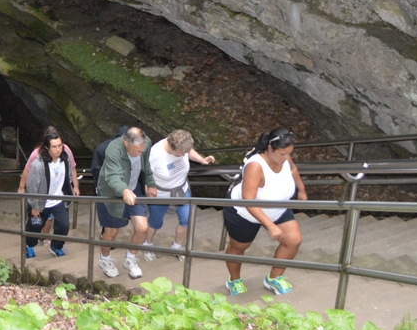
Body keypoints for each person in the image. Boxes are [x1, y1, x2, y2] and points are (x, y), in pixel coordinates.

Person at [224, 127, 307, 296]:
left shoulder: (284, 156)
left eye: (289, 154)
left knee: (293, 240)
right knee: (238, 248)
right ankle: (234, 280)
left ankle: (274, 278)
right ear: (270, 148)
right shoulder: (255, 166)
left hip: (277, 208)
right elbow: (248, 201)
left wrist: (302, 190)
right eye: (283, 154)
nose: (287, 158)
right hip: (245, 213)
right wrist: (271, 226)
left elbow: (293, 169)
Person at [94, 127, 157, 279]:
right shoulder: (113, 150)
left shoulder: (146, 143)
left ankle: (130, 258)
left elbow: (146, 163)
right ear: (126, 143)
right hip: (112, 192)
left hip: (135, 189)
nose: (139, 154)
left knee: (142, 228)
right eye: (136, 151)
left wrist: (150, 183)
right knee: (112, 231)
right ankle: (104, 259)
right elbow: (113, 176)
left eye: (142, 150)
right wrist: (124, 190)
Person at [144, 129, 215, 261]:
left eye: (185, 152)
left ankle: (177, 246)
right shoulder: (155, 154)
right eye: (180, 153)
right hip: (160, 194)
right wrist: (149, 187)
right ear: (171, 146)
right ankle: (147, 244)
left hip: (181, 189)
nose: (183, 155)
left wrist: (201, 160)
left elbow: (189, 150)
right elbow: (146, 173)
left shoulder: (182, 147)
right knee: (155, 221)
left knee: (187, 219)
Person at [23, 130, 74, 258]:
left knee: (64, 225)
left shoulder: (65, 157)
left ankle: (56, 246)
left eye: (60, 145)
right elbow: (31, 186)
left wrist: (69, 190)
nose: (58, 149)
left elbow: (69, 175)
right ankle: (29, 245)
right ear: (47, 147)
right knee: (36, 225)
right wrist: (34, 206)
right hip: (42, 201)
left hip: (59, 199)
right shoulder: (38, 164)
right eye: (54, 147)